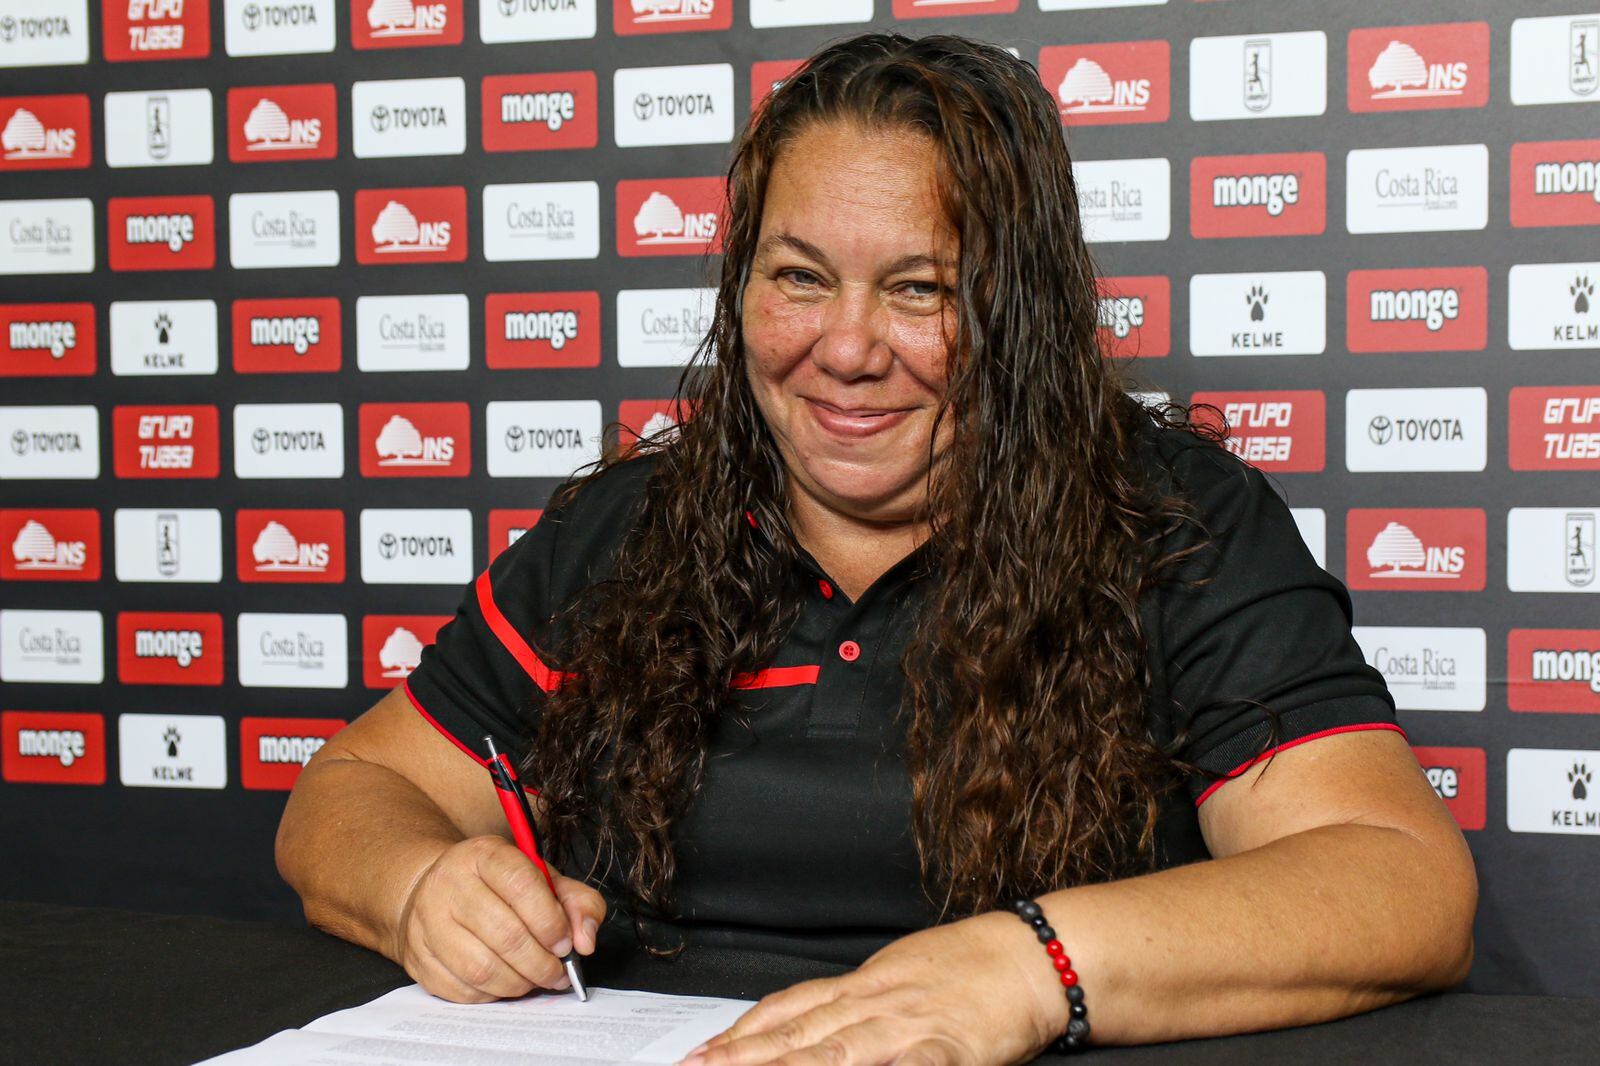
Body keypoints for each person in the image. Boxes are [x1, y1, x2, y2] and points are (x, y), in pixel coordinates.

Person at [277, 33, 1477, 1063]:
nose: (846, 350)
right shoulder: (627, 527)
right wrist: (421, 885)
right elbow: (352, 793)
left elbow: (1397, 881)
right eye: (799, 277)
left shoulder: (1174, 524)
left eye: (919, 290)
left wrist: (1028, 969)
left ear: (1019, 311)